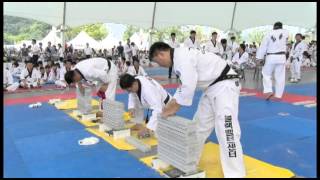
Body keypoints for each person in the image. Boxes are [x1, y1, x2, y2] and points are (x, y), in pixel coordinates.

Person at [149, 42, 245, 178]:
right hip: (211, 88)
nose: (160, 65)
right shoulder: (179, 58)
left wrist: (171, 109)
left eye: (158, 62)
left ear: (161, 54)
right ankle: (188, 164)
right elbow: (183, 87)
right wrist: (170, 106)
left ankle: (236, 175)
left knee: (227, 131)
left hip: (225, 87)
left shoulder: (182, 58)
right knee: (198, 128)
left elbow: (188, 87)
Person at [256, 22, 289, 100]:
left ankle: (268, 91)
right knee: (280, 76)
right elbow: (285, 37)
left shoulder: (269, 33)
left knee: (266, 73)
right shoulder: (286, 32)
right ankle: (278, 95)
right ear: (281, 27)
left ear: (274, 27)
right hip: (281, 57)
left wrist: (259, 58)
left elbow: (263, 46)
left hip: (271, 57)